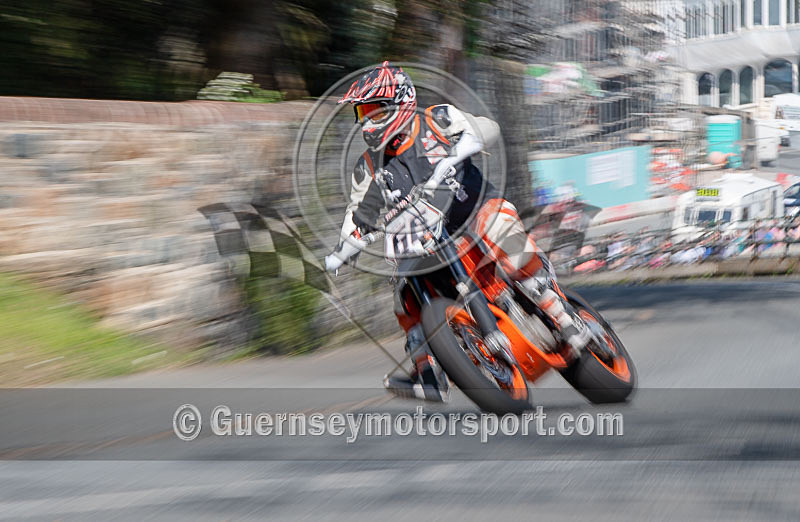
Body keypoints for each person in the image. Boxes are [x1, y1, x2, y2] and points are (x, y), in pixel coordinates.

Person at [324, 62, 590, 401]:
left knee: (506, 239)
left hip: (475, 212)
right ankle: (428, 372)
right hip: (427, 238)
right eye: (363, 111)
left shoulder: (437, 119)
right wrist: (342, 250)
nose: (367, 119)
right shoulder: (368, 166)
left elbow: (485, 129)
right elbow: (358, 212)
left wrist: (454, 155)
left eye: (375, 109)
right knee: (404, 300)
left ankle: (562, 314)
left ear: (402, 101)